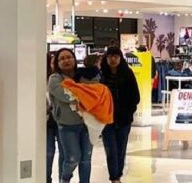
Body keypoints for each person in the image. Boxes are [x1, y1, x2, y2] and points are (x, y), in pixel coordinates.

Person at [48, 48, 97, 183]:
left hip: (88, 124)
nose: (66, 60)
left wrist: (86, 94)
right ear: (57, 63)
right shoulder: (54, 79)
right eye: (62, 59)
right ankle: (65, 179)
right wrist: (85, 94)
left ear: (74, 59)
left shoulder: (83, 75)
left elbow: (96, 92)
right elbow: (66, 96)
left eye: (69, 57)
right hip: (67, 125)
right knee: (72, 158)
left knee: (86, 160)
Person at [100, 47, 140, 183]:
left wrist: (129, 111)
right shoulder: (102, 75)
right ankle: (114, 177)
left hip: (124, 119)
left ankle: (118, 175)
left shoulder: (128, 74)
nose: (113, 59)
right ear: (106, 58)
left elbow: (135, 96)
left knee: (121, 148)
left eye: (116, 56)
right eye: (110, 56)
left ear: (120, 58)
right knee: (110, 149)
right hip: (106, 119)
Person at [46, 52, 64, 183]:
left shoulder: (62, 78)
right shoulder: (43, 78)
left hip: (62, 120)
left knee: (64, 152)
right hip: (47, 122)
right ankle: (46, 178)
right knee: (49, 152)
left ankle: (63, 179)